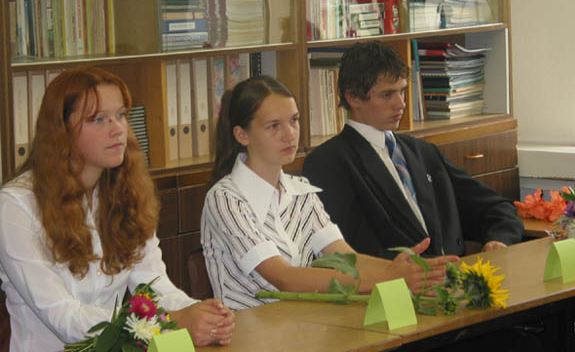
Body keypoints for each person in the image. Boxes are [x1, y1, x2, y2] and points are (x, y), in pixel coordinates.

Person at [0, 67, 235, 352]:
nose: (118, 129)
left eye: (121, 115)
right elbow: (62, 315)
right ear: (61, 131)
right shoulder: (16, 206)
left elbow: (153, 285)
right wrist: (171, 321)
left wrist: (200, 313)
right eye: (99, 119)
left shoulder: (125, 192)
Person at [201, 75, 455, 311]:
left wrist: (413, 270)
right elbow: (285, 279)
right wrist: (388, 277)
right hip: (251, 333)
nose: (290, 134)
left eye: (294, 120)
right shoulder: (225, 199)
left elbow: (346, 257)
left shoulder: (301, 191)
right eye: (273, 126)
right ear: (242, 135)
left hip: (307, 325)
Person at [302, 41, 523, 259]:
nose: (401, 104)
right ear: (353, 97)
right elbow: (350, 249)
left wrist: (498, 239)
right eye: (387, 95)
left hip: (454, 274)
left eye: (403, 91)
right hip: (397, 278)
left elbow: (495, 208)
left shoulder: (423, 152)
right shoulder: (329, 163)